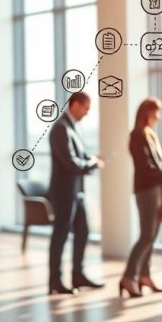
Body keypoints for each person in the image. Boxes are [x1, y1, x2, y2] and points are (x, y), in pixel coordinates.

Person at [48, 91, 105, 295]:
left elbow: (78, 156)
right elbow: (70, 162)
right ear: (75, 105)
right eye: (86, 108)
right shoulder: (60, 128)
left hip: (76, 191)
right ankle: (55, 280)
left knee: (83, 231)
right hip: (64, 192)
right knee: (60, 235)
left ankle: (77, 275)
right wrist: (92, 163)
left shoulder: (72, 127)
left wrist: (91, 159)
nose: (87, 113)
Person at [120, 98, 162, 298]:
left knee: (152, 236)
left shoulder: (151, 135)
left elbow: (156, 166)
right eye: (155, 114)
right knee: (146, 235)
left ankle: (144, 275)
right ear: (146, 113)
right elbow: (145, 168)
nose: (158, 118)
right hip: (146, 191)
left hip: (156, 189)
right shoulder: (137, 136)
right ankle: (128, 277)